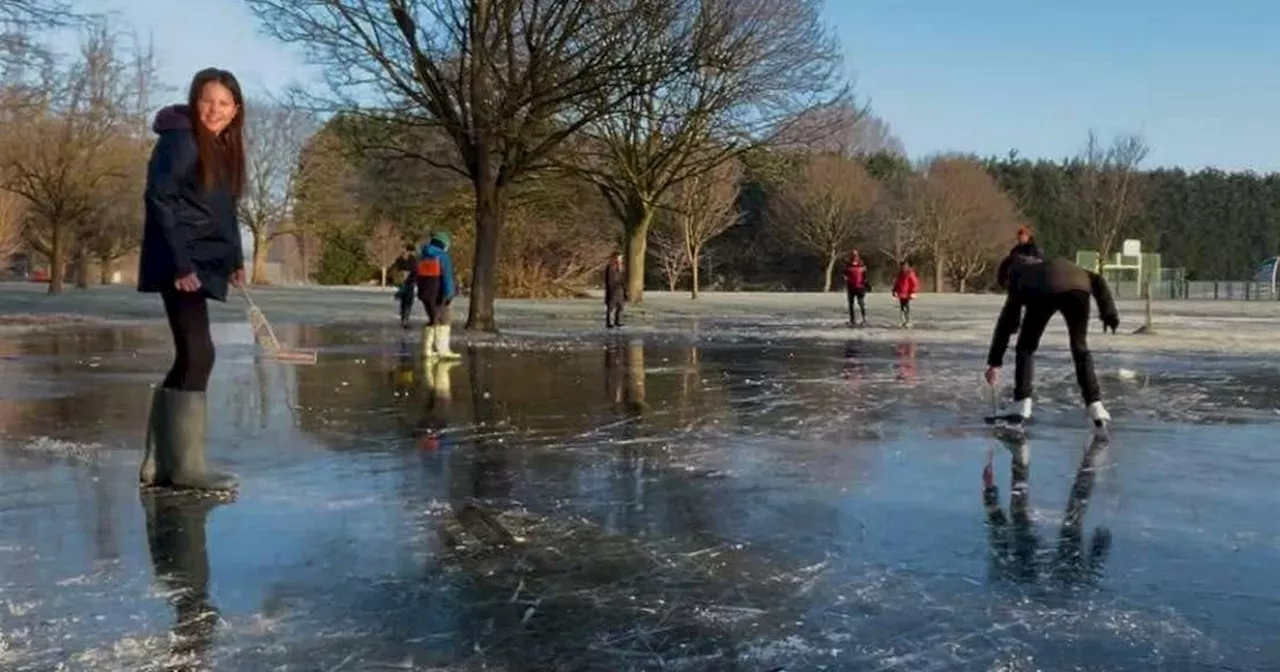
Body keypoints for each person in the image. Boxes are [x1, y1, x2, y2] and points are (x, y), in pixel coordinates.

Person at [136, 68, 246, 493]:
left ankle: (160, 459)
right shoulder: (180, 141)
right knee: (200, 353)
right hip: (182, 263)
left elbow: (224, 212)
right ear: (193, 100)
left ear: (236, 110)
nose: (214, 110)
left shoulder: (219, 149)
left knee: (189, 354)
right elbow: (160, 200)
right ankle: (185, 467)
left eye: (223, 103)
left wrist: (235, 258)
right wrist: (182, 265)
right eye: (207, 100)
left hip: (201, 261)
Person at [984, 254, 1120, 430]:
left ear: (1008, 274)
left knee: (1026, 346)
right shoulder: (1050, 266)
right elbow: (1097, 279)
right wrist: (1108, 313)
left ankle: (1022, 403)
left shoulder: (1020, 276)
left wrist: (994, 363)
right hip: (1079, 288)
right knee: (1080, 347)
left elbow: (1006, 322)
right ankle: (1095, 406)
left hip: (1044, 290)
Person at [416, 231, 461, 359]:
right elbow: (447, 277)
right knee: (444, 320)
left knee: (432, 319)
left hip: (425, 293)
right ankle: (443, 350)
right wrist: (449, 294)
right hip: (439, 294)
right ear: (443, 244)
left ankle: (427, 350)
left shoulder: (422, 256)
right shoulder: (442, 256)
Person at [392, 245, 417, 329]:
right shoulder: (400, 259)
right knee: (405, 302)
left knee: (408, 302)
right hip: (404, 282)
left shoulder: (412, 259)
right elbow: (395, 270)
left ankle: (405, 319)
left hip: (409, 282)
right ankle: (404, 319)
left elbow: (415, 270)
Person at [843, 251, 869, 326]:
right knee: (851, 304)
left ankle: (863, 319)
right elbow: (844, 273)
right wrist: (845, 277)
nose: (854, 257)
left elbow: (865, 276)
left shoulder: (861, 265)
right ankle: (852, 320)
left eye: (856, 256)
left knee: (861, 304)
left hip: (859, 287)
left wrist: (865, 284)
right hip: (851, 287)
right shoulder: (848, 265)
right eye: (853, 256)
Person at [891, 260, 920, 328]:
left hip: (908, 293)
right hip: (901, 293)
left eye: (904, 266)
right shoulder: (900, 274)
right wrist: (894, 290)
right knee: (902, 307)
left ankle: (907, 321)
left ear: (907, 266)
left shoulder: (910, 274)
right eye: (902, 267)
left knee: (906, 307)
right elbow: (897, 283)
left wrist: (913, 292)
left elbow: (915, 283)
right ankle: (902, 321)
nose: (903, 268)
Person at [604, 251, 627, 329]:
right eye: (619, 257)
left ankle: (617, 321)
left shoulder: (621, 267)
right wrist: (612, 287)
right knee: (611, 306)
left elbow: (623, 278)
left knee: (620, 306)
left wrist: (624, 288)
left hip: (620, 288)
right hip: (613, 289)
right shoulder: (610, 267)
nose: (620, 259)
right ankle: (609, 322)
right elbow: (609, 279)